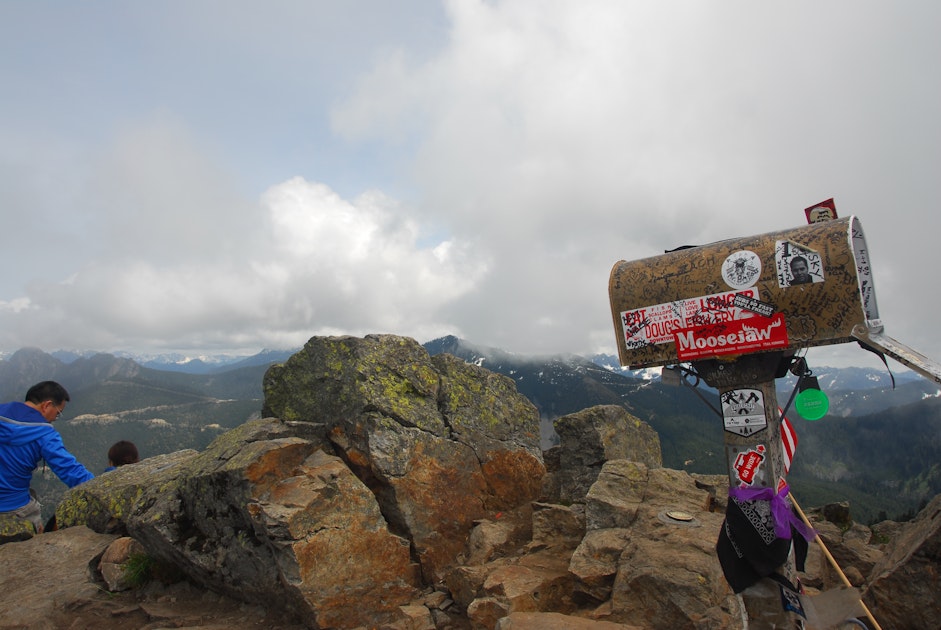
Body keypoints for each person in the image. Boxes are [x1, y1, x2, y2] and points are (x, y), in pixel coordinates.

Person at [0, 381, 94, 533]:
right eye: (58, 412)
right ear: (47, 405)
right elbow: (70, 470)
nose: (55, 418)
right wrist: (100, 488)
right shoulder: (44, 434)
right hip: (15, 507)